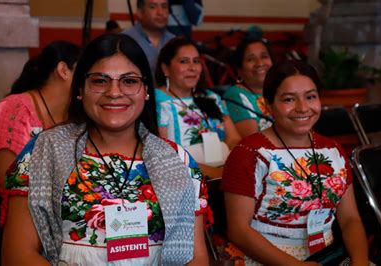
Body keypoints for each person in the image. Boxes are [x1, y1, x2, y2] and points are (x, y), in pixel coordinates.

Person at [1, 34, 209, 265]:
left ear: (146, 91)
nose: (114, 92)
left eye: (129, 81)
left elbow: (195, 257)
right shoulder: (44, 152)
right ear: (80, 89)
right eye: (100, 81)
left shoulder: (177, 161)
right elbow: (18, 255)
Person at [222, 61, 369, 265]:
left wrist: (360, 263)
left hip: (327, 255)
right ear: (268, 104)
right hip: (267, 258)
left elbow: (350, 219)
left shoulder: (333, 150)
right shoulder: (249, 152)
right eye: (289, 99)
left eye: (310, 97)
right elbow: (239, 230)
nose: (302, 108)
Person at [0, 41, 80, 227]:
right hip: (1, 222)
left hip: (54, 215)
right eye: (86, 72)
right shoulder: (13, 113)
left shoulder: (74, 115)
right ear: (64, 70)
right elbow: (10, 187)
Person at [155, 36, 241, 179]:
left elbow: (233, 139)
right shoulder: (158, 101)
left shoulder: (210, 97)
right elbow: (165, 155)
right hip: (184, 178)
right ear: (165, 69)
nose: (192, 68)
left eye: (196, 61)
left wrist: (236, 166)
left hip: (226, 172)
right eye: (184, 61)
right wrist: (221, 174)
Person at [222, 37, 274, 138]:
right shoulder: (236, 95)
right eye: (251, 59)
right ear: (239, 70)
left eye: (264, 56)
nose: (259, 63)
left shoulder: (279, 90)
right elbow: (254, 140)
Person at [123, 0, 175, 83]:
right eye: (153, 7)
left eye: (164, 6)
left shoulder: (174, 42)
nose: (160, 12)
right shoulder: (125, 40)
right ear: (140, 12)